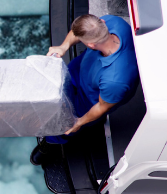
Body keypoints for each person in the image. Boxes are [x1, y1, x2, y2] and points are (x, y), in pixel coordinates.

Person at [30, 14, 139, 165]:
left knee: (65, 124)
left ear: (90, 45)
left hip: (90, 99)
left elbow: (102, 106)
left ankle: (52, 142)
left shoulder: (116, 80)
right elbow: (77, 32)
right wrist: (64, 46)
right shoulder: (113, 22)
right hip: (81, 69)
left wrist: (79, 122)